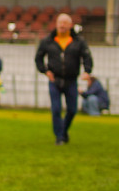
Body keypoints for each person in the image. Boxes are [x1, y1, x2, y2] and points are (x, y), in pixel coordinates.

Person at [35, 13, 94, 144]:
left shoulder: (78, 41)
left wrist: (87, 71)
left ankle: (63, 131)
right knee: (56, 109)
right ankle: (60, 137)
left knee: (72, 110)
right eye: (60, 22)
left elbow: (87, 57)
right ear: (56, 24)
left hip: (71, 81)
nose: (62, 25)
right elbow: (38, 58)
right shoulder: (48, 41)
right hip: (54, 80)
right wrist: (45, 71)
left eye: (65, 23)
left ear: (70, 25)